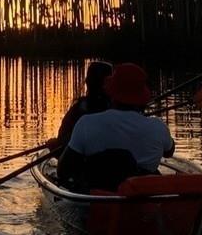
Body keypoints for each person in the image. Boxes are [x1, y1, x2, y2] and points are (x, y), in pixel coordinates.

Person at [57, 63, 174, 192]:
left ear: (111, 92)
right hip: (144, 196)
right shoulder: (158, 127)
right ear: (142, 97)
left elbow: (63, 171)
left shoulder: (86, 123)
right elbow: (169, 152)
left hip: (97, 199)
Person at [51, 60, 114, 152]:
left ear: (88, 83)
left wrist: (54, 145)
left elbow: (63, 141)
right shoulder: (119, 109)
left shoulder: (78, 110)